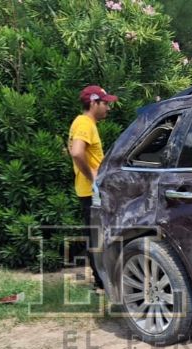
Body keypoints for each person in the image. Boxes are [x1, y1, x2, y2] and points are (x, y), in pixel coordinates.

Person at [68, 85, 117, 287]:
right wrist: (93, 177)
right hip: (91, 191)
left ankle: (101, 279)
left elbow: (74, 150)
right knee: (97, 238)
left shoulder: (83, 123)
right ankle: (101, 282)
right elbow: (77, 152)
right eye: (105, 103)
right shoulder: (85, 123)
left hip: (89, 190)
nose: (108, 107)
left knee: (96, 235)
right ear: (93, 103)